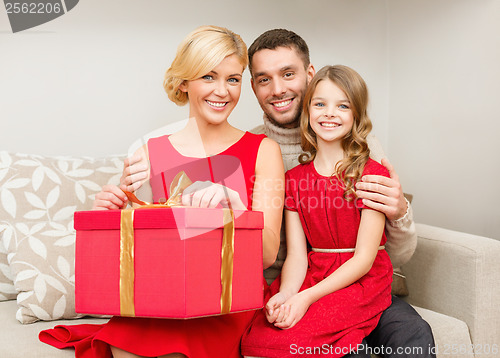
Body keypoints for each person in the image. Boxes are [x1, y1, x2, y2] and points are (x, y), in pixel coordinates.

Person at [119, 29, 435, 356]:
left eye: (288, 74)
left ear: (310, 76)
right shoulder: (252, 150)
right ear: (253, 85)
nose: (278, 89)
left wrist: (399, 213)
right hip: (292, 284)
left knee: (410, 333)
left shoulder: (362, 153)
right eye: (263, 79)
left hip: (359, 283)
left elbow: (390, 256)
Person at [40, 25, 284, 358]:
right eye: (208, 77)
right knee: (119, 346)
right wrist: (112, 216)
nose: (223, 91)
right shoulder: (150, 151)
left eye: (233, 79)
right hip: (164, 294)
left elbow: (268, 255)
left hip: (227, 299)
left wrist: (237, 207)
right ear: (184, 82)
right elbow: (152, 249)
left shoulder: (263, 150)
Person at [241, 64, 394, 357]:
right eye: (320, 104)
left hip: (362, 281)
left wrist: (305, 299)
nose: (329, 113)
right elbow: (297, 255)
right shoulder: (295, 180)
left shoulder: (372, 175)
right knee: (263, 338)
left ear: (356, 115)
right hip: (315, 274)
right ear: (308, 112)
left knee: (301, 340)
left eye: (343, 105)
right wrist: (287, 294)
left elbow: (363, 259)